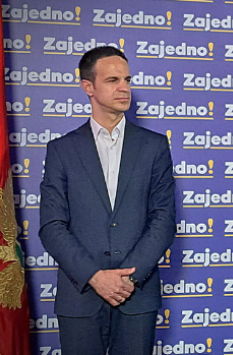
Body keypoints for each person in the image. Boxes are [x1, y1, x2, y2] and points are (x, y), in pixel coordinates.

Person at [39, 46, 176, 355]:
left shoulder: (154, 146)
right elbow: (52, 226)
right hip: (80, 298)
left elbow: (163, 219)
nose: (124, 88)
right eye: (113, 80)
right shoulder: (62, 150)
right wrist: (95, 277)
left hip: (136, 296)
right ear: (88, 86)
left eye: (127, 79)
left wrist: (129, 278)